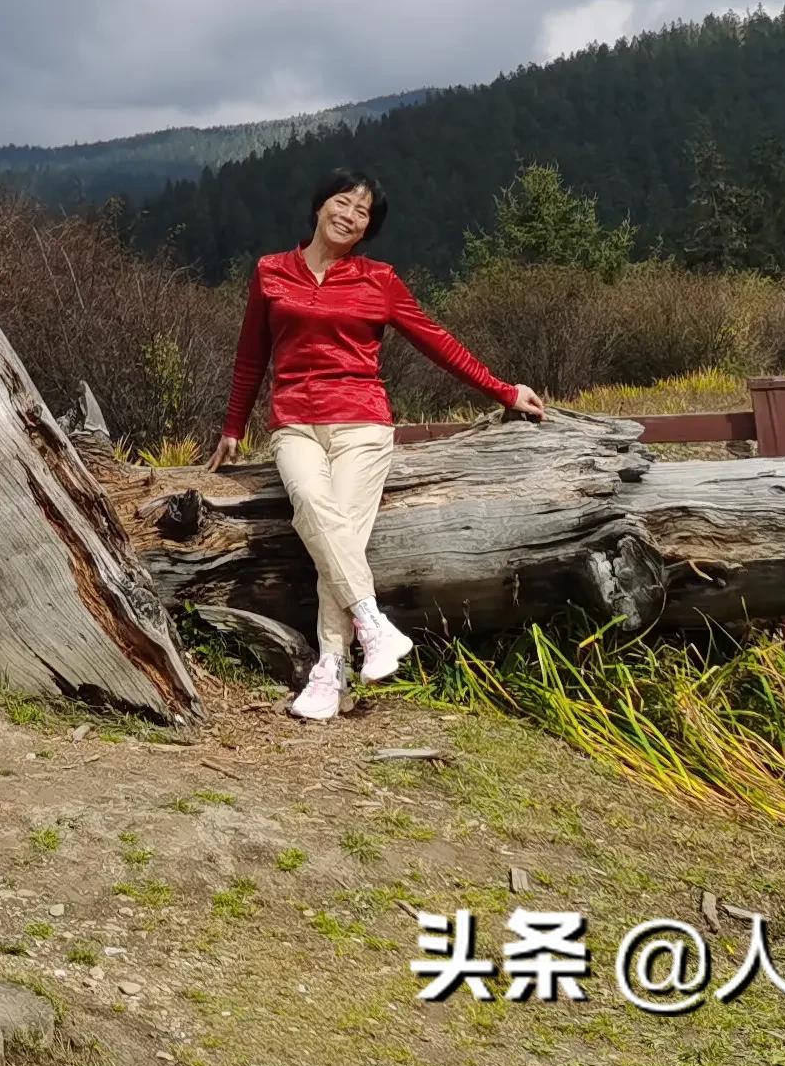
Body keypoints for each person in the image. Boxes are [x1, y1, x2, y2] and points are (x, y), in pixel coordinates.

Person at [212, 172, 543, 723]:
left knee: (336, 530)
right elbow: (251, 355)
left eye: (363, 212)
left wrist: (504, 390)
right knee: (316, 513)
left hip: (362, 424)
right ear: (319, 207)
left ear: (369, 229)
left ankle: (330, 671)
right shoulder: (272, 271)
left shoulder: (379, 280)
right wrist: (232, 426)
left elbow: (436, 341)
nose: (349, 215)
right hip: (294, 422)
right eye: (342, 202)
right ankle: (371, 623)